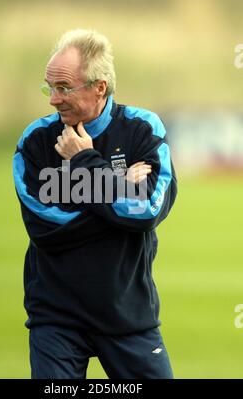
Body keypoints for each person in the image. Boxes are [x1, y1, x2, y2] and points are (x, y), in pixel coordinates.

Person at [13, 28, 177, 379]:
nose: (53, 100)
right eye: (50, 87)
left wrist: (86, 162)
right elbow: (45, 226)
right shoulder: (35, 141)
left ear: (99, 87)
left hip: (128, 316)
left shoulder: (142, 130)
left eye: (63, 89)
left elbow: (147, 210)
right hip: (56, 320)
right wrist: (119, 193)